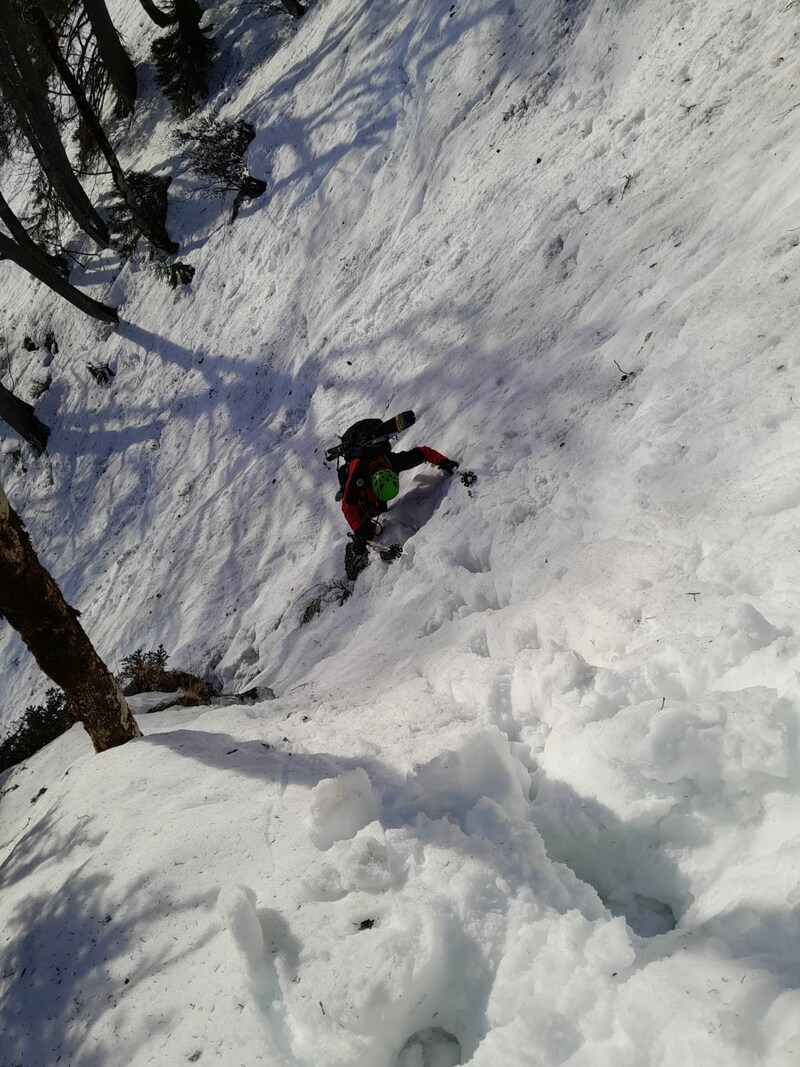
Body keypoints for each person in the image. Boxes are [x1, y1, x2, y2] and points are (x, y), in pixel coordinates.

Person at [337, 417, 458, 579]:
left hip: (376, 500)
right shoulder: (358, 474)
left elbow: (422, 453)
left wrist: (443, 461)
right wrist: (358, 532)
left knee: (378, 513)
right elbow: (348, 507)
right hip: (361, 499)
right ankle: (354, 571)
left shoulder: (392, 463)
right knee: (364, 535)